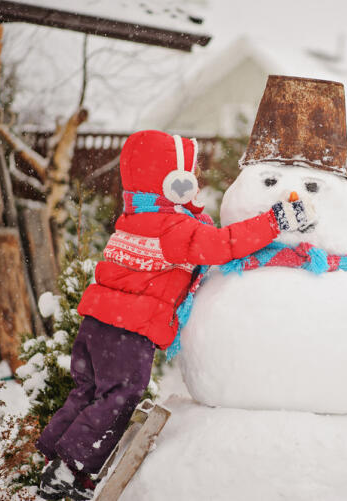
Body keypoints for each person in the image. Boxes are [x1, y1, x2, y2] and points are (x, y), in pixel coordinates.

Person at [35, 130, 314, 500]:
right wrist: (275, 221)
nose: (196, 182)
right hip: (127, 332)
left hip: (95, 327)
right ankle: (69, 470)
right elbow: (222, 245)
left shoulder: (133, 219)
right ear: (175, 183)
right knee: (121, 395)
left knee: (89, 391)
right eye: (190, 174)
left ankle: (55, 458)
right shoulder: (173, 228)